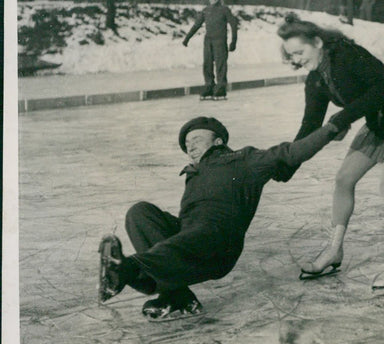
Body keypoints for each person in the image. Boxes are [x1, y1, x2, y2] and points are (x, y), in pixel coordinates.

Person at [97, 116, 345, 321]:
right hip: (191, 236)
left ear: (218, 140)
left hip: (220, 243)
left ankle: (126, 270)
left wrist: (331, 129)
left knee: (200, 231)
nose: (190, 146)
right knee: (140, 212)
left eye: (196, 139)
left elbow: (292, 153)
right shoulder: (195, 172)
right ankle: (178, 297)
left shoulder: (245, 160)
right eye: (186, 143)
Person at [277, 14, 384, 290]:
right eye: (291, 55)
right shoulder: (316, 80)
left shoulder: (346, 54)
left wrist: (343, 118)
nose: (296, 59)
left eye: (299, 51)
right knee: (344, 179)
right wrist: (289, 161)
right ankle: (334, 250)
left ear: (317, 42)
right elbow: (310, 125)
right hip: (378, 122)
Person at [182, 0, 238, 100]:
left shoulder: (224, 9)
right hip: (208, 41)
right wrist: (187, 38)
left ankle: (221, 88)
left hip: (220, 41)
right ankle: (209, 86)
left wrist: (233, 42)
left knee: (220, 65)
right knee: (207, 65)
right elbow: (196, 25)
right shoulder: (206, 10)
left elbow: (233, 25)